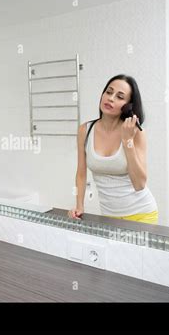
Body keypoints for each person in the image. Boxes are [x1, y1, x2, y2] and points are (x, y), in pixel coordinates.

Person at [68, 74, 158, 224]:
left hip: (141, 214)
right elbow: (81, 173)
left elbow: (139, 184)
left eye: (120, 97)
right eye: (109, 92)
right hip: (108, 216)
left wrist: (127, 140)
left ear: (128, 106)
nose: (111, 98)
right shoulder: (85, 130)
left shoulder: (136, 133)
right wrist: (79, 205)